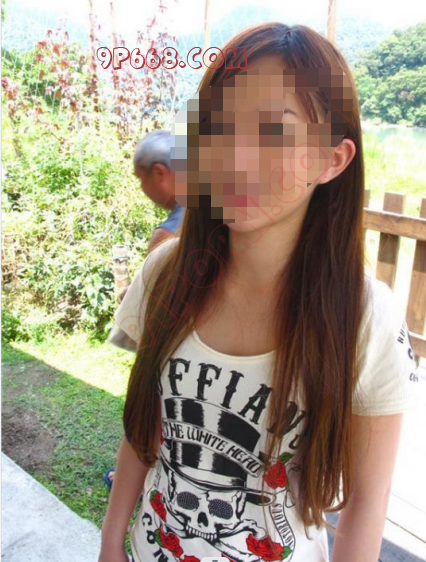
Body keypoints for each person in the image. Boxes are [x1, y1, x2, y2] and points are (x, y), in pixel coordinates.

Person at [98, 23, 419, 562]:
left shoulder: (365, 317)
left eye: (273, 130)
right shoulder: (165, 276)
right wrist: (110, 542)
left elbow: (367, 501)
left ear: (332, 160)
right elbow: (142, 431)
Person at [104, 130, 185, 484]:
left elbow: (150, 307)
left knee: (149, 409)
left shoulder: (167, 236)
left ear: (159, 173)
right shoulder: (219, 213)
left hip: (168, 349)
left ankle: (130, 475)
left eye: (141, 179)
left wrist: (128, 296)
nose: (142, 188)